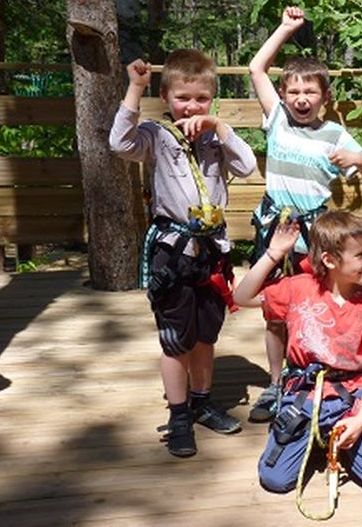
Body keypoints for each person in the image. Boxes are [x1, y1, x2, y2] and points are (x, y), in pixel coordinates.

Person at [110, 50, 257, 457]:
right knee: (177, 340)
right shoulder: (156, 137)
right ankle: (178, 415)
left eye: (201, 98)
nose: (192, 106)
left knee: (206, 335)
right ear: (166, 97)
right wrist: (135, 89)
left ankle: (202, 401)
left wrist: (220, 127)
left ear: (212, 99)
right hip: (173, 253)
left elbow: (247, 166)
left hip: (212, 251)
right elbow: (119, 143)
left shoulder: (215, 137)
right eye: (183, 98)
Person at [247, 6, 362, 423]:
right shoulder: (277, 120)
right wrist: (285, 29)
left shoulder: (334, 134)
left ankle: (309, 375)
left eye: (310, 92)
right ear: (284, 94)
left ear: (325, 97)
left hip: (316, 234)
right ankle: (276, 383)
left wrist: (358, 159)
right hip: (276, 228)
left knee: (313, 305)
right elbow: (256, 68)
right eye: (293, 91)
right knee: (275, 309)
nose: (301, 99)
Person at [233, 210, 362, 493]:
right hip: (305, 394)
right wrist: (273, 254)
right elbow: (241, 297)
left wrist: (361, 419)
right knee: (275, 480)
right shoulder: (298, 288)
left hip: (350, 396)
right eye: (361, 255)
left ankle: (341, 440)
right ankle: (312, 438)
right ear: (330, 260)